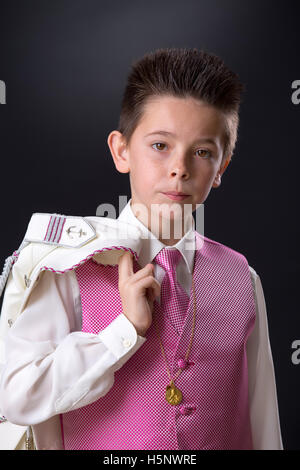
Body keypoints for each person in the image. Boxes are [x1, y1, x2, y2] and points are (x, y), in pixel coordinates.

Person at [0, 47, 283, 450]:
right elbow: (18, 396)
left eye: (202, 152)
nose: (180, 168)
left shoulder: (242, 279)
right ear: (121, 151)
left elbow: (263, 422)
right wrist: (124, 331)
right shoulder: (67, 266)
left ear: (221, 167)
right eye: (160, 146)